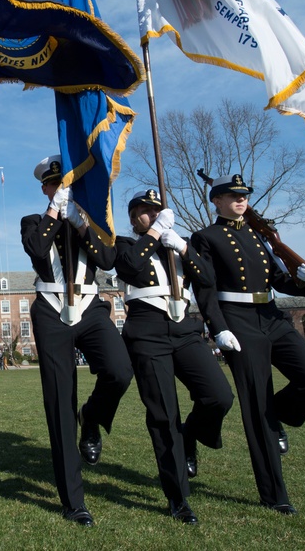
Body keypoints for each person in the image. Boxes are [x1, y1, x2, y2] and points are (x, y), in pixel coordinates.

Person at [190, 174, 305, 516]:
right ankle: (274, 494)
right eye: (231, 195)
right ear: (216, 201)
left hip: (271, 317)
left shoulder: (260, 236)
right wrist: (218, 328)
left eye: (244, 195)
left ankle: (279, 416)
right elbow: (204, 288)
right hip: (236, 321)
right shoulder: (205, 237)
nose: (240, 200)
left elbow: (280, 280)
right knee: (257, 408)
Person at [20, 155, 134, 527]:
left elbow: (107, 258)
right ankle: (73, 500)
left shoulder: (93, 222)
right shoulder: (34, 221)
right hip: (51, 306)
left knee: (119, 371)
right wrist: (54, 214)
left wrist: (82, 224)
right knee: (59, 401)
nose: (63, 191)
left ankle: (93, 417)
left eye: (68, 185)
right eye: (56, 185)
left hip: (90, 305)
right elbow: (38, 250)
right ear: (46, 189)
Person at [114, 189, 234, 525]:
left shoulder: (176, 245)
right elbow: (129, 267)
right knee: (164, 416)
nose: (151, 216)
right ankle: (178, 497)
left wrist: (181, 245)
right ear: (133, 216)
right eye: (144, 211)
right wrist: (154, 234)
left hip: (184, 329)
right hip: (147, 333)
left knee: (218, 396)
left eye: (156, 210)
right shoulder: (126, 244)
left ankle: (192, 436)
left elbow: (208, 278)